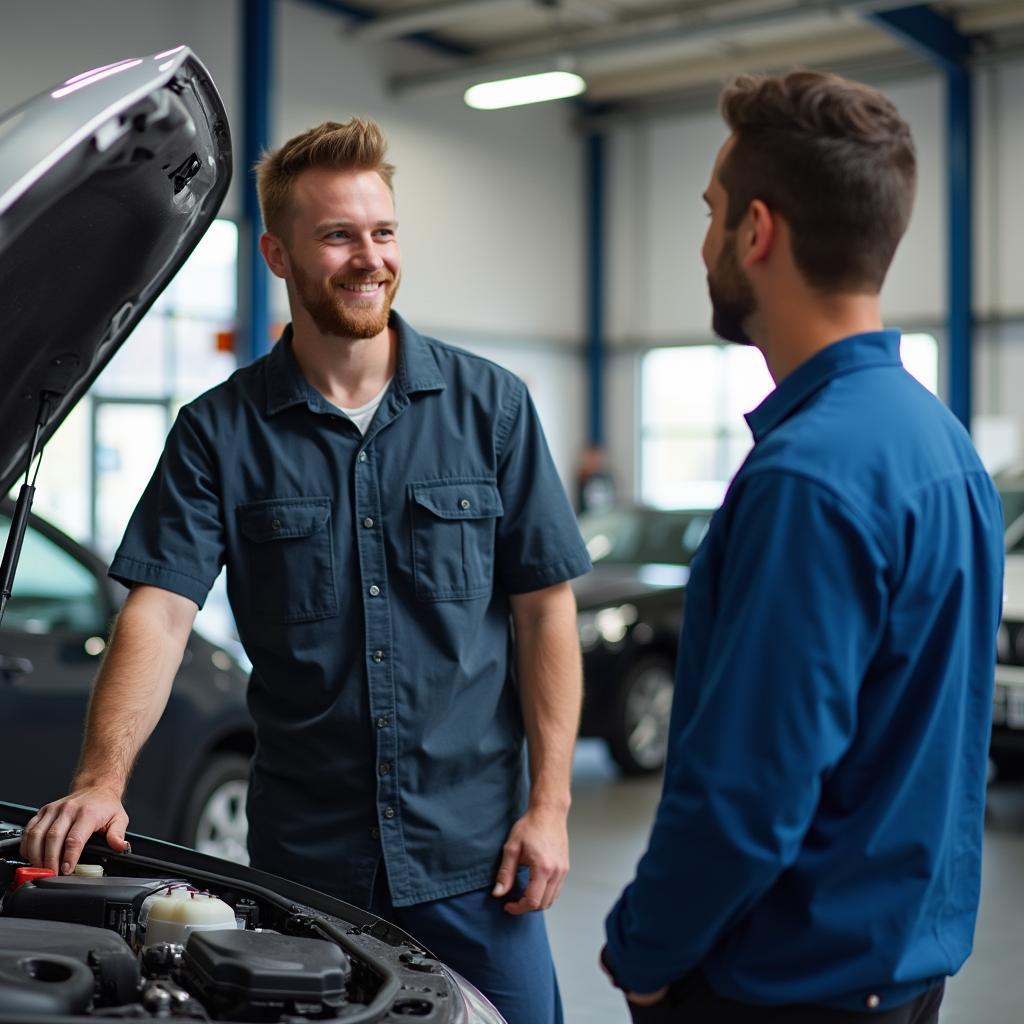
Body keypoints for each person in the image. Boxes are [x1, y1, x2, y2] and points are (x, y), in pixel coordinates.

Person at [21, 117, 591, 1024]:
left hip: (478, 860)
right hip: (308, 872)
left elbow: (544, 611)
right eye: (338, 236)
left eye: (384, 231)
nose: (370, 258)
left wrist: (552, 806)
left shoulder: (493, 409)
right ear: (278, 255)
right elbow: (160, 612)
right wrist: (102, 780)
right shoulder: (219, 431)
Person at [601, 70, 1004, 1023]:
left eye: (712, 213)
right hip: (899, 969)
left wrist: (643, 952)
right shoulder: (943, 448)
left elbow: (748, 797)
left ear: (759, 232)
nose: (705, 242)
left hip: (784, 987)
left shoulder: (807, 476)